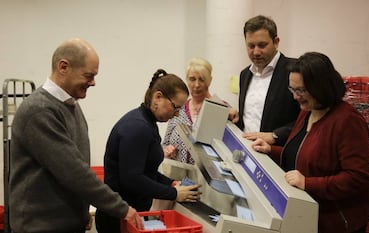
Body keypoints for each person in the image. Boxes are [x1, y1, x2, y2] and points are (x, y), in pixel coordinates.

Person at [9, 38, 143, 233]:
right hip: (40, 227)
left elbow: (76, 161)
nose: (93, 82)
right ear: (63, 67)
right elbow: (73, 171)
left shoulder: (70, 104)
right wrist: (122, 209)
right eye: (88, 76)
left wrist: (80, 211)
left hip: (66, 223)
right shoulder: (39, 111)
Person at [252, 52, 369, 233]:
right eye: (292, 90)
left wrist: (308, 183)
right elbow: (302, 156)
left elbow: (357, 177)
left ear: (321, 87)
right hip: (309, 215)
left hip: (338, 221)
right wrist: (271, 150)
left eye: (301, 90)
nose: (295, 97)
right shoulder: (308, 111)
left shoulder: (347, 120)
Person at [95, 69, 202, 233]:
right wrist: (173, 193)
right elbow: (132, 179)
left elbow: (147, 171)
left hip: (131, 213)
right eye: (175, 107)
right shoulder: (139, 127)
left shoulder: (146, 122)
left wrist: (170, 183)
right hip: (119, 218)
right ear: (158, 97)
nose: (177, 114)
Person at [236, 15, 300, 146]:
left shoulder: (294, 71)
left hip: (279, 154)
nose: (256, 52)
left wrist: (275, 135)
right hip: (247, 150)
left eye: (262, 45)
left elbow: (308, 119)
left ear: (276, 42)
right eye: (251, 46)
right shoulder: (244, 75)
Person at [162, 57, 234, 164]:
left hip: (206, 178)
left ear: (209, 81)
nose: (196, 85)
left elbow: (229, 150)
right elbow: (165, 143)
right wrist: (166, 150)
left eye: (201, 79)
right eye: (192, 79)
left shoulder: (222, 109)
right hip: (179, 176)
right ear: (187, 80)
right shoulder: (179, 108)